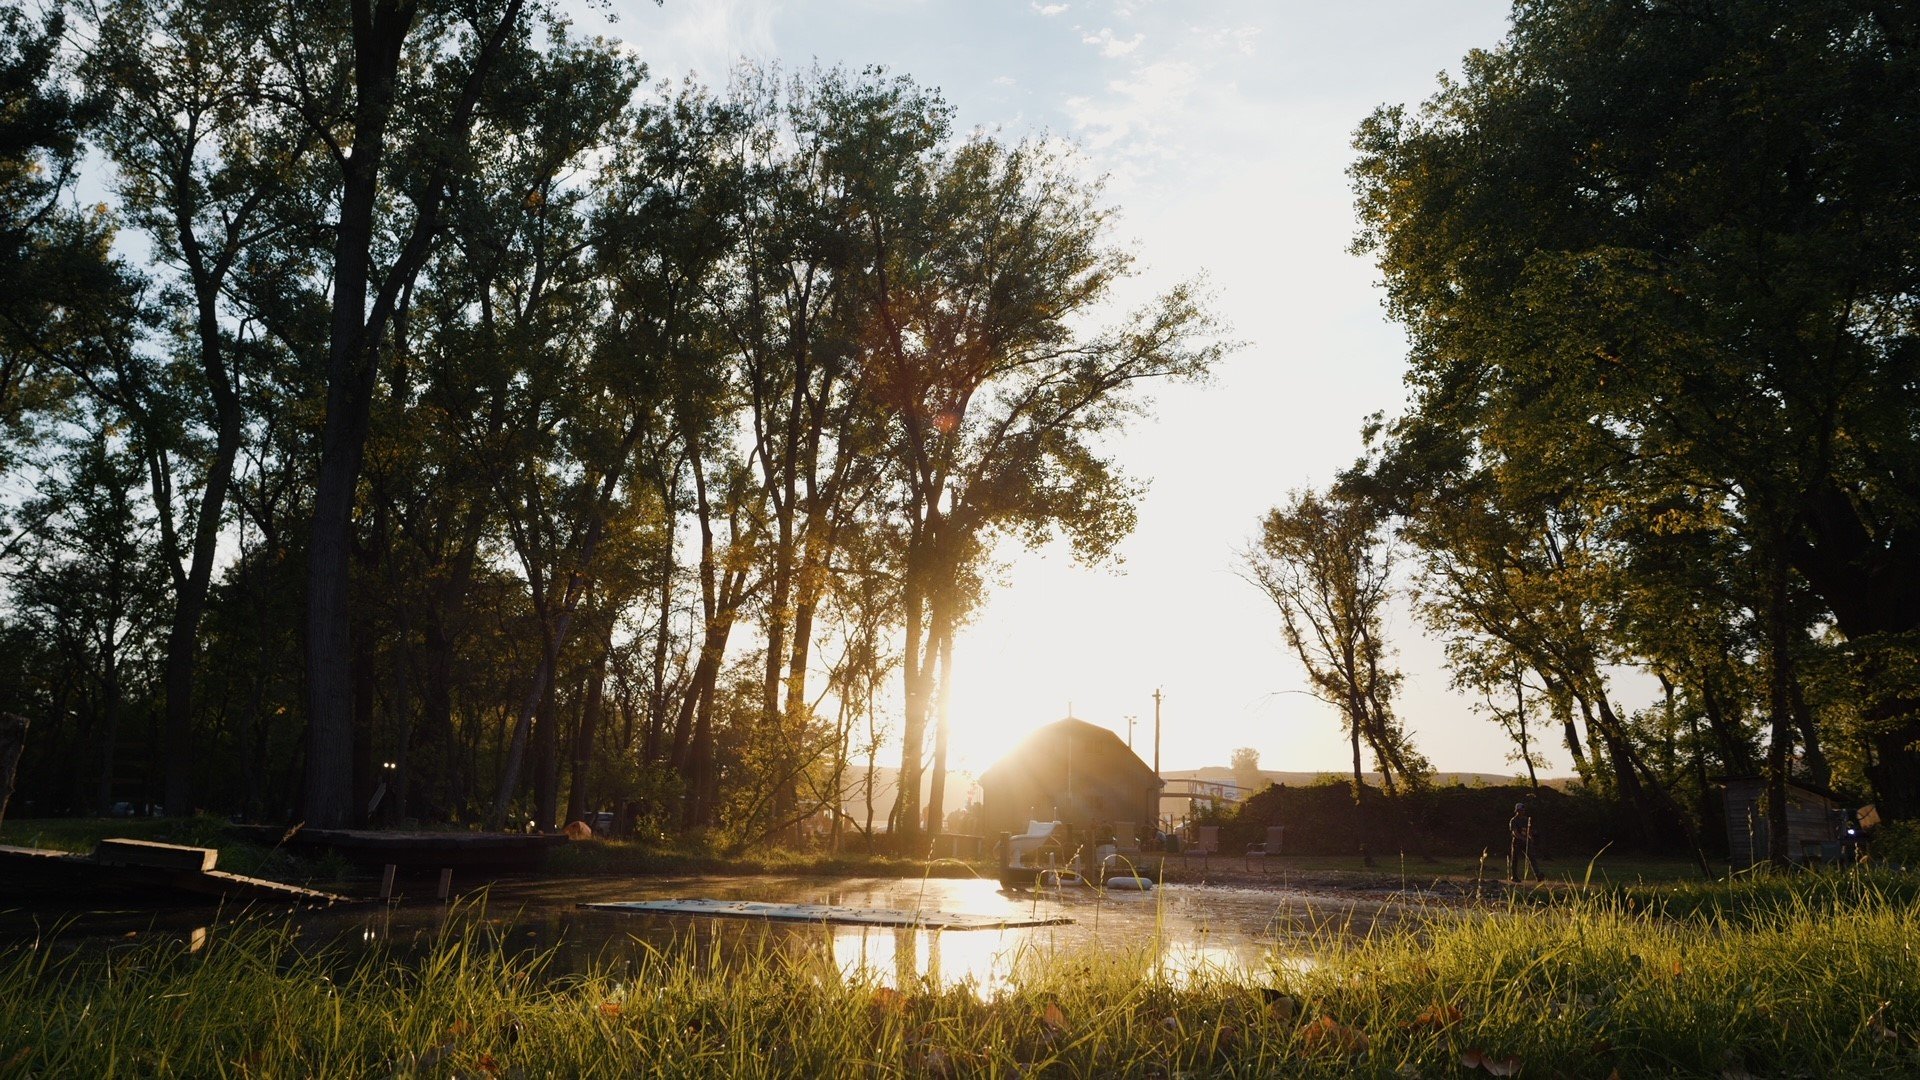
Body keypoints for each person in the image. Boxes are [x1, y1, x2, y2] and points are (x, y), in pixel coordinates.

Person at [1508, 802, 1542, 882]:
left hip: (1526, 842)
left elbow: (1528, 829)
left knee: (1532, 858)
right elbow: (1514, 832)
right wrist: (1522, 838)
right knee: (1515, 859)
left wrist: (1530, 837)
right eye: (1521, 810)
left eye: (1523, 810)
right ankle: (1514, 876)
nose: (1523, 811)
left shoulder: (1526, 819)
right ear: (1517, 811)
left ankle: (1538, 875)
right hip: (1517, 842)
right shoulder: (1513, 820)